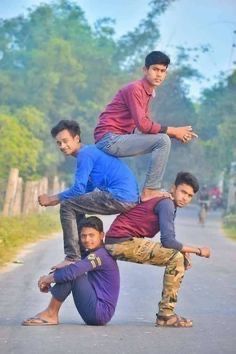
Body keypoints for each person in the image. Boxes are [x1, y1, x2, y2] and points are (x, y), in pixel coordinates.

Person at [104, 172, 211, 328]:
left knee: (178, 255)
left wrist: (183, 250)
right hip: (121, 242)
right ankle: (166, 315)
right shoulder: (167, 204)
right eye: (183, 192)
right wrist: (199, 250)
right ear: (173, 188)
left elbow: (170, 241)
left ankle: (165, 315)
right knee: (176, 257)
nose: (185, 198)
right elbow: (168, 241)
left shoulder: (168, 203)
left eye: (189, 196)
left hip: (121, 240)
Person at [94, 51, 198, 202]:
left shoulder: (149, 93)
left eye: (163, 71)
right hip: (109, 139)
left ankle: (148, 189)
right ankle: (150, 190)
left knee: (163, 138)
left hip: (120, 137)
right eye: (155, 69)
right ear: (145, 70)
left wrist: (176, 134)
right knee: (163, 140)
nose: (159, 75)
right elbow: (144, 125)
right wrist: (174, 131)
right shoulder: (135, 89)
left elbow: (144, 127)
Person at [38, 120, 139, 264]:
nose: (62, 146)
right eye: (59, 143)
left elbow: (78, 189)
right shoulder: (90, 153)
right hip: (126, 198)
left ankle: (72, 256)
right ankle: (82, 252)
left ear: (76, 138)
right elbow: (86, 190)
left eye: (65, 141)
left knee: (67, 205)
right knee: (75, 204)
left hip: (120, 196)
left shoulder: (85, 154)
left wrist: (53, 198)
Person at [22, 216, 120, 326]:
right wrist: (50, 278)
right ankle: (50, 313)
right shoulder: (92, 253)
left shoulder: (101, 255)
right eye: (83, 236)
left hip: (100, 312)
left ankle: (51, 314)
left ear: (101, 235)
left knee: (73, 274)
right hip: (96, 310)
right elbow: (72, 266)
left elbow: (73, 271)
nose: (87, 239)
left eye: (91, 235)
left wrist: (48, 279)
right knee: (70, 269)